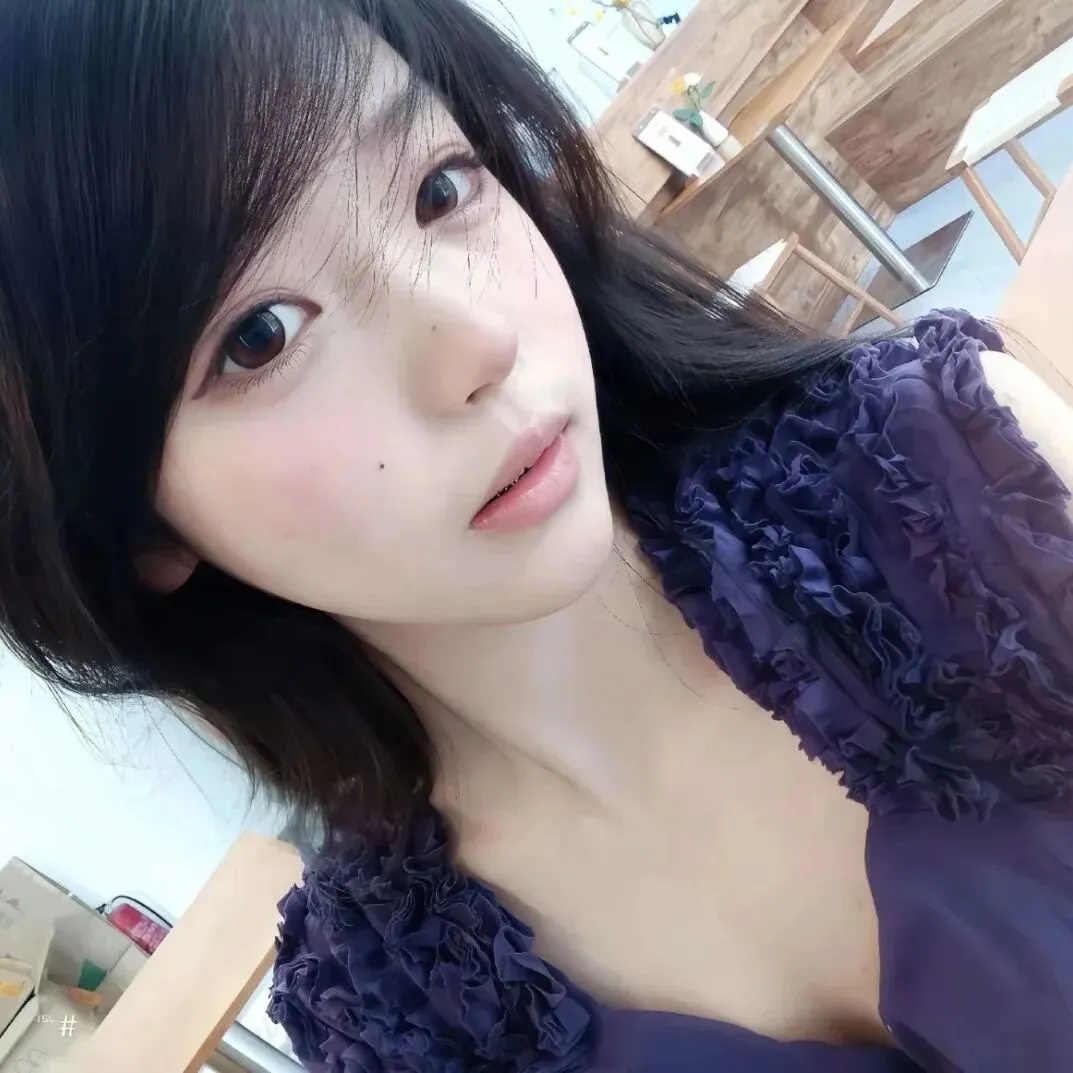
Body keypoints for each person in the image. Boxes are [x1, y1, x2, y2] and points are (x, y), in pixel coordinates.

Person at [0, 0, 1071, 1069]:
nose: (478, 338)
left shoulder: (950, 488)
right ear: (130, 528)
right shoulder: (402, 1013)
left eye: (440, 189)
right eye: (260, 335)